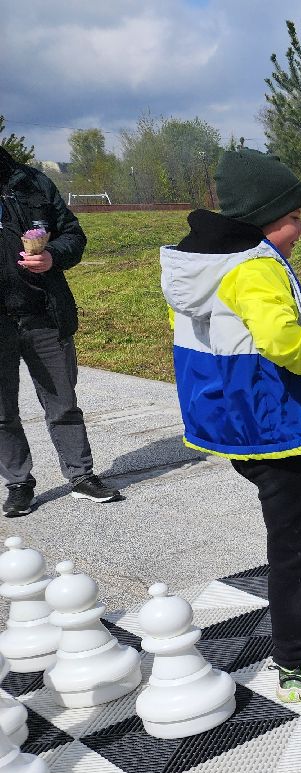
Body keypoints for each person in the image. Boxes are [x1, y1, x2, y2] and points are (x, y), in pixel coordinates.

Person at [160, 148, 301, 703]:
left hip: (237, 420)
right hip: (276, 423)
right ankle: (299, 666)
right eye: (294, 218)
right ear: (263, 218)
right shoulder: (252, 267)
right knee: (300, 542)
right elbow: (279, 339)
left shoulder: (203, 261)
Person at [0, 145, 121, 516]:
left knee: (63, 402)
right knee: (2, 411)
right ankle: (19, 483)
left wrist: (52, 255)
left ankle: (81, 476)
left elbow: (73, 234)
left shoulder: (32, 181)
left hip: (44, 312)